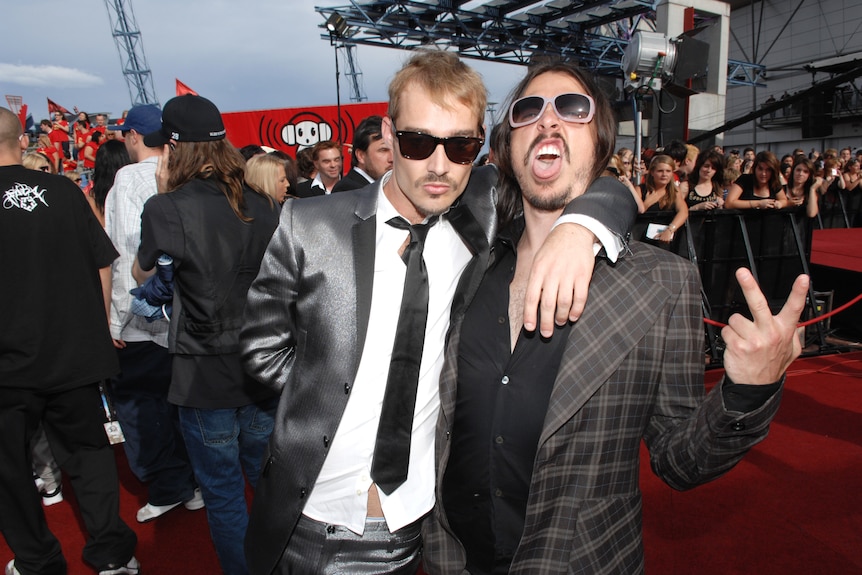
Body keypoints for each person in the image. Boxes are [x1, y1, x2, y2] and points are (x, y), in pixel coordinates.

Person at [239, 50, 635, 575]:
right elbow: (260, 349)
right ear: (389, 134)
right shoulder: (309, 223)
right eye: (419, 141)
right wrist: (335, 385)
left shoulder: (485, 208)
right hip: (308, 516)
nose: (439, 165)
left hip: (412, 522)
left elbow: (610, 187)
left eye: (461, 145)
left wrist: (578, 231)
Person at [423, 59, 808, 575]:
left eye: (572, 108)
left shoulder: (664, 285)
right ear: (508, 146)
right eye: (528, 109)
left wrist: (748, 393)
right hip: (451, 560)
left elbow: (679, 460)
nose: (548, 121)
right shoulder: (464, 259)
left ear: (601, 145)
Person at [133, 94, 280, 575]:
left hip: (203, 376)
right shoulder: (261, 202)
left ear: (172, 148)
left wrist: (160, 193)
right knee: (268, 482)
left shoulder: (166, 207)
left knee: (222, 492)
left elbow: (142, 274)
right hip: (260, 368)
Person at [0, 106, 141, 575]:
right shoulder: (62, 190)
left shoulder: (64, 189)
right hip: (71, 353)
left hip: (9, 367)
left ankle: (39, 561)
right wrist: (97, 327)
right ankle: (113, 556)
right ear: (24, 141)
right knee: (88, 456)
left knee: (10, 471)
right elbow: (103, 262)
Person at [102, 104, 204, 526]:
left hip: (144, 318)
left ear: (132, 137)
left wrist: (114, 320)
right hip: (186, 315)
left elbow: (127, 253)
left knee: (142, 410)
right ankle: (193, 483)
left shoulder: (127, 178)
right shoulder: (185, 172)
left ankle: (168, 487)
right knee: (180, 404)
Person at [331, 115, 393, 193]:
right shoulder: (347, 191)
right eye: (383, 150)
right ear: (361, 156)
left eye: (395, 150)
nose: (392, 158)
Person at [640, 154, 689, 243]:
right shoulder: (640, 190)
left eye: (668, 171)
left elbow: (683, 211)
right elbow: (632, 213)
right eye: (660, 171)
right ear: (652, 172)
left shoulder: (675, 191)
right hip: (642, 239)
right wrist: (647, 203)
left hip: (666, 241)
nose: (664, 174)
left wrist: (670, 229)